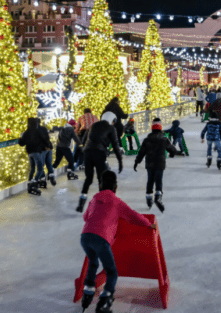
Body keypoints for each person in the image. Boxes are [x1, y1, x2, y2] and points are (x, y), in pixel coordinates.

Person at [80, 170, 157, 313]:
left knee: (93, 263)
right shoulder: (116, 202)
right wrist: (148, 224)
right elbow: (133, 216)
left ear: (101, 186)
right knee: (112, 272)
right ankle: (104, 302)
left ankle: (87, 294)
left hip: (85, 237)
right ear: (115, 187)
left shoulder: (95, 198)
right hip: (101, 239)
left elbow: (86, 217)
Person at [76, 112, 123, 213]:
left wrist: (84, 150)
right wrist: (120, 161)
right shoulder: (111, 128)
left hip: (87, 153)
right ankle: (102, 205)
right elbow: (115, 145)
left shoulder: (93, 125)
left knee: (88, 179)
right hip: (99, 153)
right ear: (111, 120)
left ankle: (81, 202)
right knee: (101, 179)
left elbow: (84, 140)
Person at [134, 118, 177, 213]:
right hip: (160, 163)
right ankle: (158, 197)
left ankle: (149, 200)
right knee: (159, 181)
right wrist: (172, 154)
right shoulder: (164, 139)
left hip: (150, 164)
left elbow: (141, 153)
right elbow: (172, 149)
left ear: (152, 129)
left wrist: (136, 162)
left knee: (150, 180)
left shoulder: (147, 140)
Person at [18, 118, 53, 196]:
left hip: (29, 153)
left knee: (33, 168)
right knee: (40, 170)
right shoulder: (37, 131)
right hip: (36, 152)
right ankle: (33, 184)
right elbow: (44, 139)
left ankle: (30, 182)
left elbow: (22, 143)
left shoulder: (26, 132)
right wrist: (48, 145)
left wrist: (19, 139)